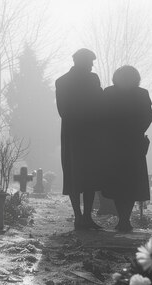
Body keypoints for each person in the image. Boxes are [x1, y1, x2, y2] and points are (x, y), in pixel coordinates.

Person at [55, 48, 104, 230]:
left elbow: (63, 110)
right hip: (83, 132)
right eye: (90, 62)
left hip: (76, 132)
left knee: (79, 174)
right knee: (82, 174)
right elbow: (99, 102)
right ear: (81, 62)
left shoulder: (64, 81)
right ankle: (83, 216)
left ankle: (81, 216)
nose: (92, 66)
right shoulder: (87, 80)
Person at [101, 66, 152, 232]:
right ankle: (125, 219)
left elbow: (102, 115)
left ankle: (122, 219)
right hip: (133, 142)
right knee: (131, 182)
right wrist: (138, 130)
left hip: (114, 143)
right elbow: (148, 115)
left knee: (119, 182)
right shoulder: (141, 94)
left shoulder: (109, 93)